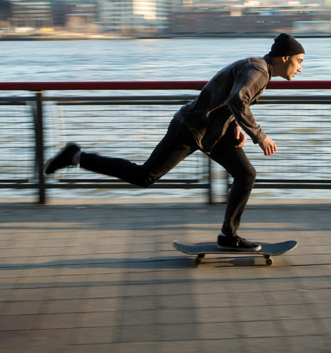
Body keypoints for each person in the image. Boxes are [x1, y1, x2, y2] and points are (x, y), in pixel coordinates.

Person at [44, 33, 305, 252]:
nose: (300, 68)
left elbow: (232, 100)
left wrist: (235, 126)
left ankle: (228, 236)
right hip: (190, 129)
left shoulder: (257, 67)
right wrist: (259, 136)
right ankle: (76, 156)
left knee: (246, 174)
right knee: (144, 176)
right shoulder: (258, 70)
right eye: (299, 61)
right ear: (284, 58)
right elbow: (237, 100)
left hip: (214, 132)